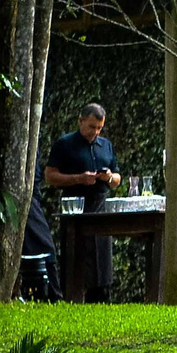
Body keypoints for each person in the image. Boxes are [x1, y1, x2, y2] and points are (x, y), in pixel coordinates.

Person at [46, 104, 121, 301]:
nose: (95, 132)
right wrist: (79, 178)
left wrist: (109, 177)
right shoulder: (64, 144)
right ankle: (72, 297)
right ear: (81, 121)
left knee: (102, 259)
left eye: (99, 128)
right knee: (75, 256)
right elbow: (50, 176)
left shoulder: (106, 145)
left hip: (100, 207)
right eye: (91, 127)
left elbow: (117, 178)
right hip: (75, 207)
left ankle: (102, 299)